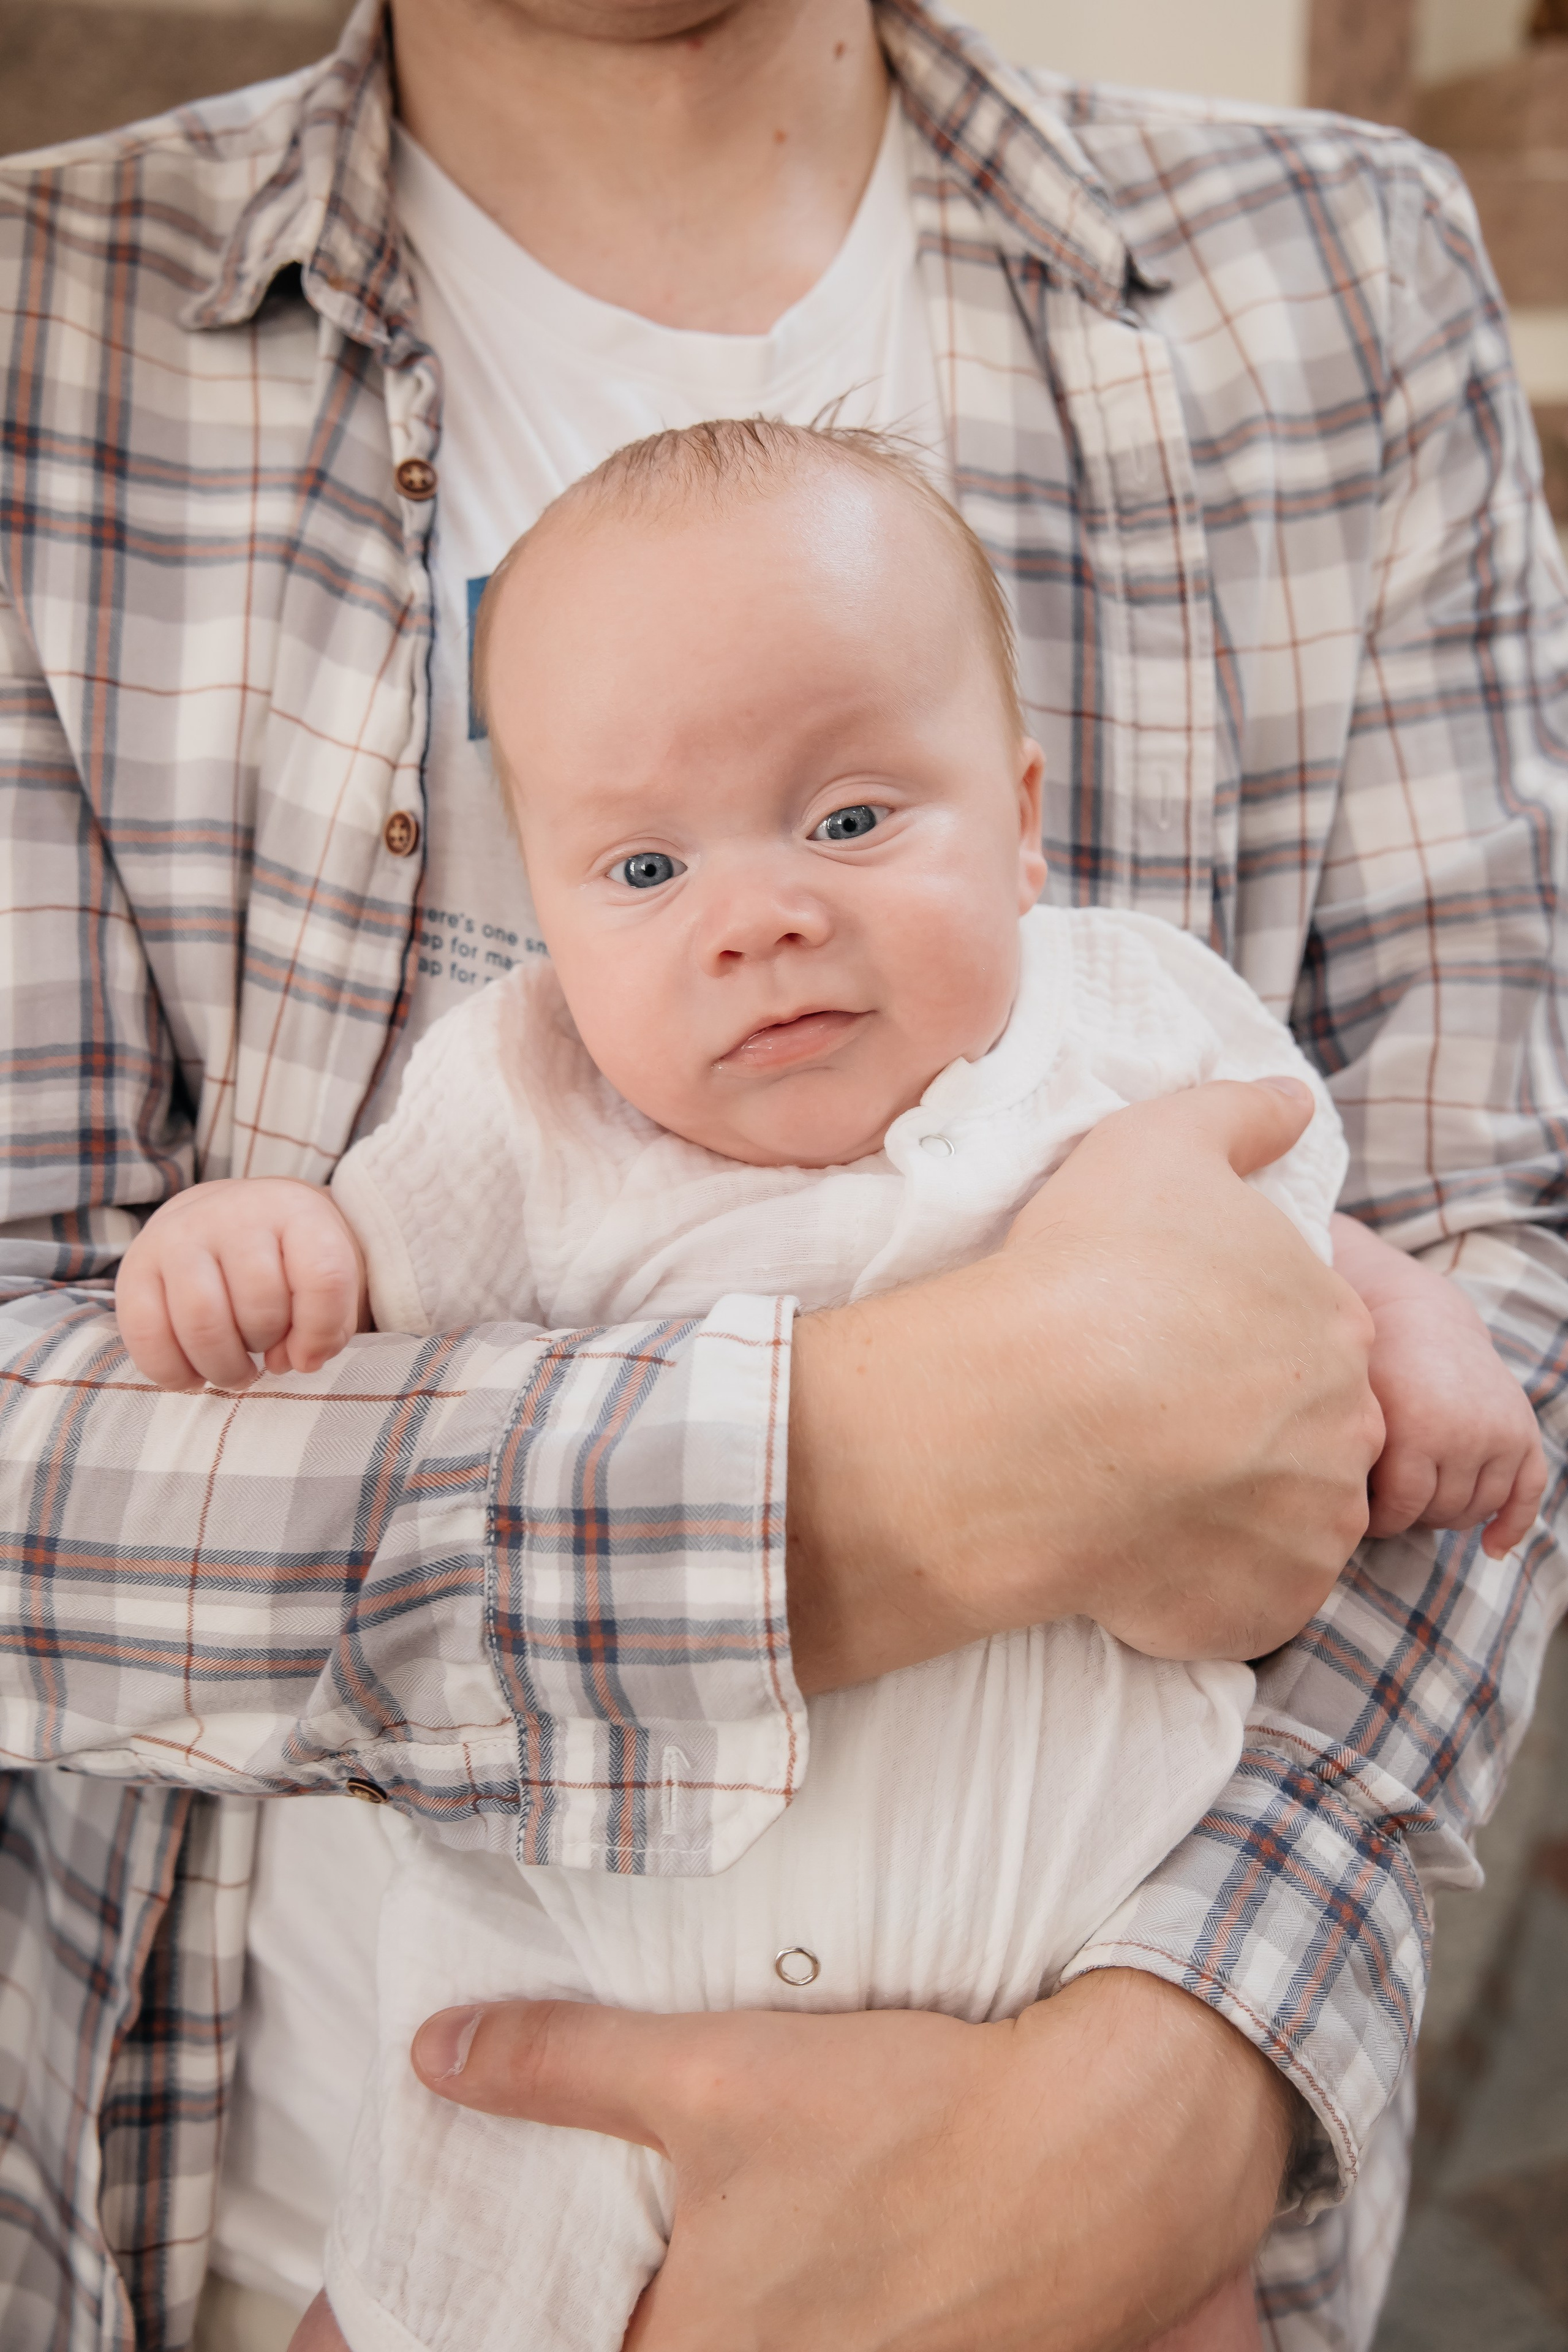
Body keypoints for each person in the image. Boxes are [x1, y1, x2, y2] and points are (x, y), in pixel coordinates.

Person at [0, 1, 1562, 2348]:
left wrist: (1181, 2087)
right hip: (418, 2143)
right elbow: (126, 1371)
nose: (763, 915)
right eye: (642, 868)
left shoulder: (1335, 275)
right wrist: (926, 1470)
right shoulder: (45, 331)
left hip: (1116, 2146)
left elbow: (1456, 1217)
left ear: (1022, 811)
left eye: (856, 820)